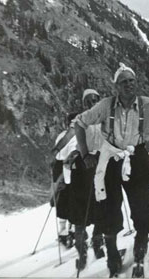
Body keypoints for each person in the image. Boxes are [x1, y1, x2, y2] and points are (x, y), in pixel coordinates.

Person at [74, 63, 149, 277]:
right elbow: (80, 123)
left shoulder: (147, 105)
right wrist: (84, 154)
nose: (129, 85)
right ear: (116, 87)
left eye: (132, 81)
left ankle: (141, 241)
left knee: (143, 206)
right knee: (109, 208)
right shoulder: (105, 106)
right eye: (124, 82)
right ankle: (112, 254)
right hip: (111, 158)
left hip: (137, 157)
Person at [67, 89, 105, 271]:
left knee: (101, 204)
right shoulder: (81, 119)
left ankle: (98, 241)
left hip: (100, 164)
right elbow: (76, 139)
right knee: (83, 206)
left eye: (95, 100)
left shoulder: (102, 118)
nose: (92, 103)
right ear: (84, 103)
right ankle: (81, 248)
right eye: (89, 101)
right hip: (85, 164)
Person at [51, 113, 78, 249]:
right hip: (65, 172)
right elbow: (58, 156)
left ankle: (72, 230)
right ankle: (64, 233)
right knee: (64, 202)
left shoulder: (83, 134)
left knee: (74, 202)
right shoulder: (63, 136)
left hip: (77, 173)